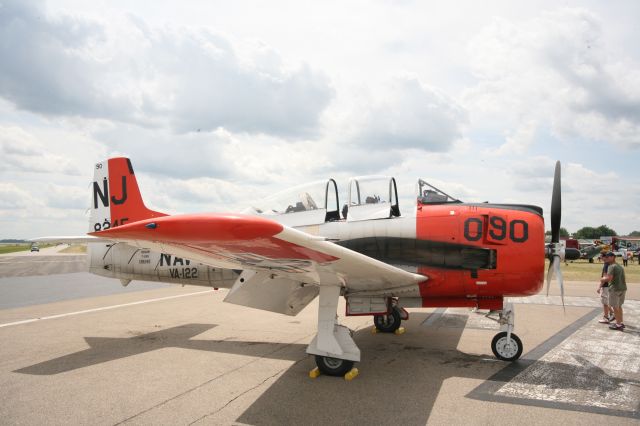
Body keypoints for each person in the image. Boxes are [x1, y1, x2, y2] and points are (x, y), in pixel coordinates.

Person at [600, 251, 627, 331]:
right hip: (622, 288)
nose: (607, 258)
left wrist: (602, 279)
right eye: (606, 257)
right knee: (619, 306)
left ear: (613, 257)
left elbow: (609, 278)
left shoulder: (611, 266)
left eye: (609, 257)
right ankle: (620, 322)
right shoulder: (619, 266)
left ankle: (618, 324)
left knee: (615, 307)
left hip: (615, 289)